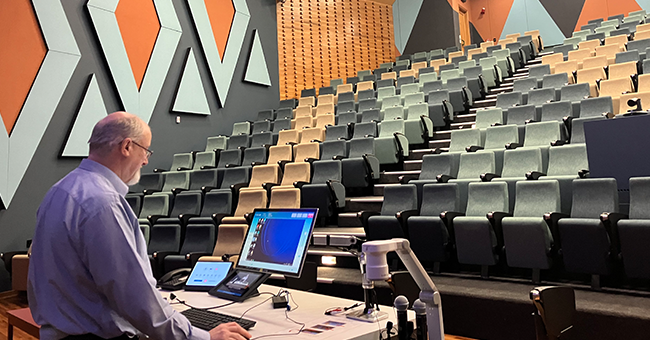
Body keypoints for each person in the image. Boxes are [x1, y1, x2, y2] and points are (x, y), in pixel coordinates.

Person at [28, 112, 251, 340]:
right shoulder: (103, 202)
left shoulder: (58, 191)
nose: (145, 160)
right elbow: (134, 297)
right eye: (146, 150)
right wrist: (203, 337)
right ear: (127, 146)